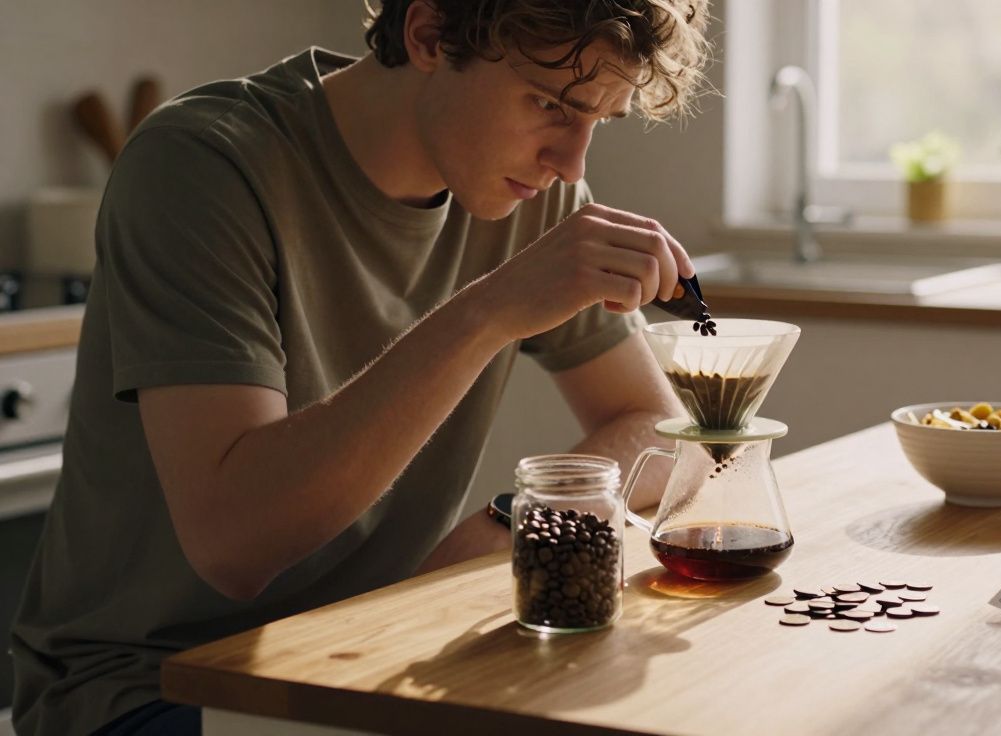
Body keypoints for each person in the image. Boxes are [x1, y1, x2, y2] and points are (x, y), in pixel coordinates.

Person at [10, 1, 710, 733]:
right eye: (549, 105)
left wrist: (518, 522)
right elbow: (236, 547)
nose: (572, 163)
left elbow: (654, 431)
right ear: (430, 34)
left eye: (601, 120)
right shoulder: (202, 165)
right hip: (153, 687)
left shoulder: (537, 193)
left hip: (360, 660)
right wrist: (487, 311)